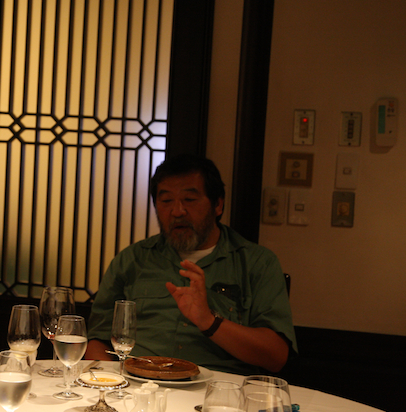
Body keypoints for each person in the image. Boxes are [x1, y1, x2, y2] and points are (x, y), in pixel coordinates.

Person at [85, 154, 297, 374]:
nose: (177, 211)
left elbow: (276, 356)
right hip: (138, 383)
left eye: (190, 199)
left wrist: (209, 321)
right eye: (166, 201)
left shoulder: (257, 263)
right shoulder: (132, 260)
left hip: (220, 388)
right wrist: (112, 381)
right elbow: (97, 340)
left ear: (218, 205)